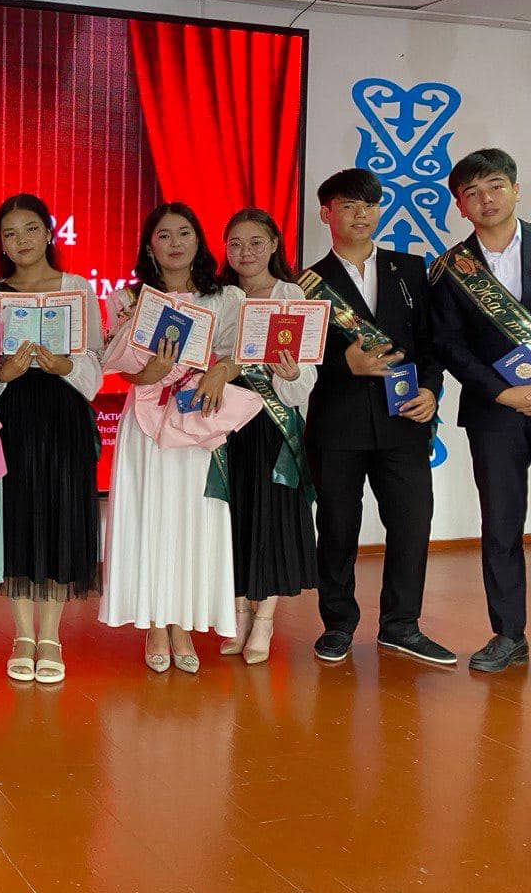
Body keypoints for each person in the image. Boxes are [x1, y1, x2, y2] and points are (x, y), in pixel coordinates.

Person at [302, 168, 453, 666]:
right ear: (326, 214)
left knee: (412, 523)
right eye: (348, 205)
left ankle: (401, 625)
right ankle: (338, 625)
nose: (361, 214)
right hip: (338, 426)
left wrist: (431, 390)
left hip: (403, 421)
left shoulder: (409, 270)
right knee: (338, 528)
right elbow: (297, 359)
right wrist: (342, 363)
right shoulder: (306, 284)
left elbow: (432, 344)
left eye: (369, 204)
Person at [100, 203, 251, 673]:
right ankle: (156, 624)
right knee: (151, 516)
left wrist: (219, 373)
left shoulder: (225, 297)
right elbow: (118, 367)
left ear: (198, 240)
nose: (175, 243)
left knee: (193, 520)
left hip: (199, 419)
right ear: (149, 246)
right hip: (146, 423)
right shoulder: (128, 300)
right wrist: (150, 372)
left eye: (184, 233)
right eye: (163, 235)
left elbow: (241, 353)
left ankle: (184, 623)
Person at [0, 194, 103, 684]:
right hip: (12, 416)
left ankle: (51, 635)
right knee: (16, 516)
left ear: (50, 233)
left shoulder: (77, 289)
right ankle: (21, 634)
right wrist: (3, 373)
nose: (22, 241)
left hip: (64, 415)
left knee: (60, 513)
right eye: (10, 233)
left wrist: (66, 365)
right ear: (1, 244)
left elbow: (95, 366)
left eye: (31, 229)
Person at [431, 148, 531, 672]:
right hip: (495, 413)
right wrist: (502, 392)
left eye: (495, 186)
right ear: (460, 206)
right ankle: (509, 634)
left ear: (515, 189)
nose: (486, 199)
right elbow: (448, 344)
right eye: (472, 192)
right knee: (501, 524)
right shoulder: (451, 269)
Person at [217, 208, 318, 664]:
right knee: (233, 515)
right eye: (235, 244)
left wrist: (291, 374)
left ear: (275, 244)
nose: (246, 252)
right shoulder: (219, 296)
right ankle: (238, 614)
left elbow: (304, 379)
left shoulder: (291, 296)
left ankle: (265, 620)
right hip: (225, 421)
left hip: (272, 423)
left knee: (272, 515)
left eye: (256, 242)